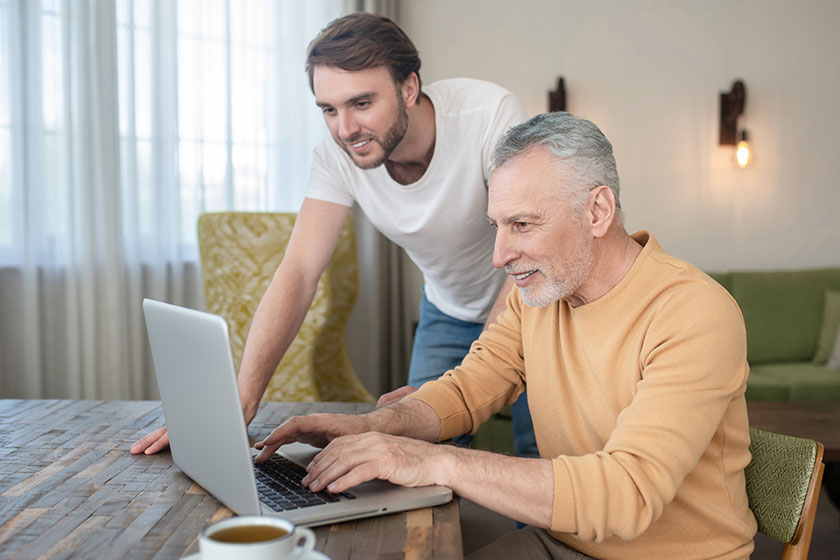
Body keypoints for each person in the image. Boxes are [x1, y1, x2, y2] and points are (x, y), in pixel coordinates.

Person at [253, 112, 758, 559]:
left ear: (597, 211)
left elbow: (626, 495)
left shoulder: (693, 312)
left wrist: (432, 460)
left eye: (522, 224)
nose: (500, 255)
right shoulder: (539, 293)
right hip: (561, 541)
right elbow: (469, 388)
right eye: (497, 224)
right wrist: (374, 427)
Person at [131, 13, 538, 457]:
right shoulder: (336, 156)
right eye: (329, 109)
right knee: (420, 450)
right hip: (446, 309)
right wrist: (239, 402)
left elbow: (525, 244)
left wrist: (483, 368)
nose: (345, 130)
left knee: (538, 446)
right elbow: (300, 271)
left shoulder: (489, 116)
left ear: (408, 88)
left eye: (361, 103)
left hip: (527, 298)